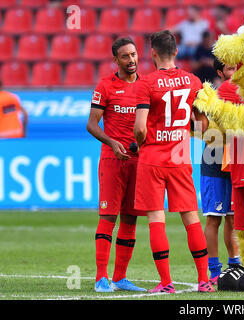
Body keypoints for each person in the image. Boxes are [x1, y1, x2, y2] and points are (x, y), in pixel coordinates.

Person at [133, 30, 214, 293]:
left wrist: (141, 143)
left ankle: (166, 283)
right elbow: (203, 126)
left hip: (152, 159)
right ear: (176, 52)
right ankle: (204, 280)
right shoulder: (193, 82)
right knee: (191, 217)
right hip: (180, 159)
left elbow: (140, 128)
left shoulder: (145, 84)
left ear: (152, 53)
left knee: (157, 218)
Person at [86, 37, 146, 293]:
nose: (131, 60)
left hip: (139, 161)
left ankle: (120, 277)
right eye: (125, 56)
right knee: (108, 216)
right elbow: (91, 124)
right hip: (113, 160)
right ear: (116, 60)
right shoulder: (105, 86)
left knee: (130, 218)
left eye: (133, 54)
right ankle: (101, 277)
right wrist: (112, 143)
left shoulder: (147, 85)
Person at [201, 58, 241, 285]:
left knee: (234, 218)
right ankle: (214, 270)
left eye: (237, 67)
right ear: (220, 72)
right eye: (229, 68)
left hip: (238, 160)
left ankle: (234, 265)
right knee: (214, 218)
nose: (234, 72)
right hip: (214, 159)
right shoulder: (214, 98)